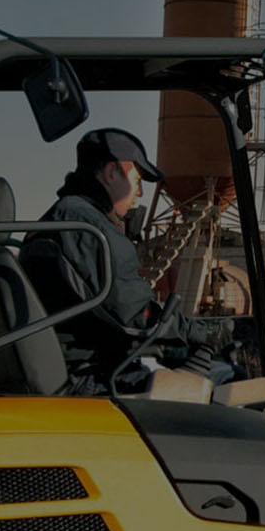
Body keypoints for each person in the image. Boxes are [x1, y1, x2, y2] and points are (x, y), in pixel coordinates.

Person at [20, 127, 231, 391]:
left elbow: (111, 316)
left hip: (79, 366)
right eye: (138, 179)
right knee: (227, 379)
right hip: (90, 378)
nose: (140, 193)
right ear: (111, 173)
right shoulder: (90, 230)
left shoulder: (62, 218)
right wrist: (197, 332)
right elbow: (135, 315)